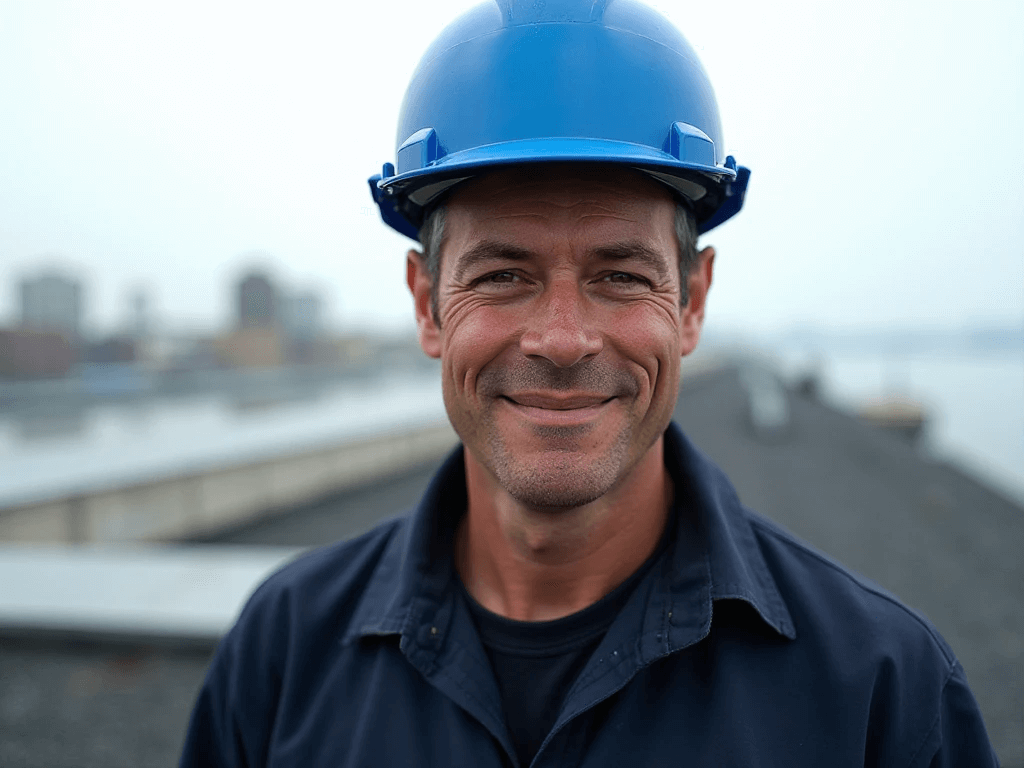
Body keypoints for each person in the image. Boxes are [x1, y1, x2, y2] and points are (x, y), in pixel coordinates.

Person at [180, 2, 998, 766]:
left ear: (692, 302)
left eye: (619, 276)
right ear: (428, 306)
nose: (563, 340)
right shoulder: (280, 651)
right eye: (502, 274)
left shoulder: (881, 692)